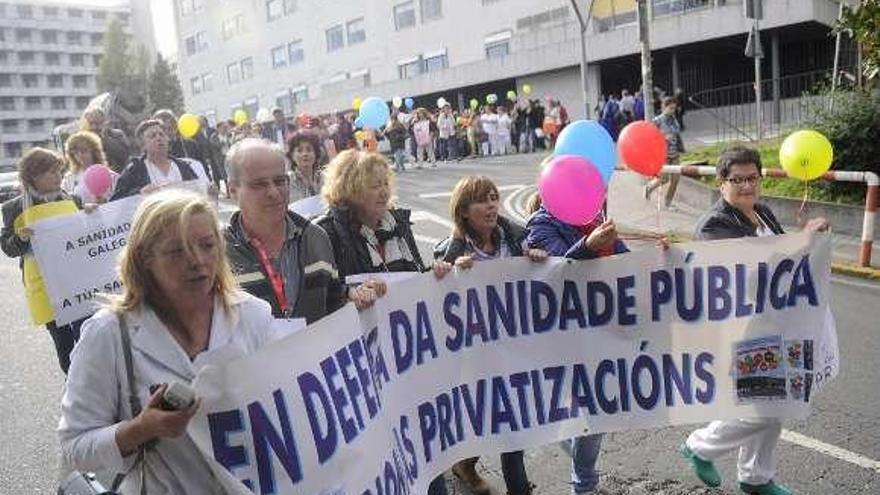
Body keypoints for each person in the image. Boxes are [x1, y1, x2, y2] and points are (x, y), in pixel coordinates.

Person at [58, 189, 279, 493]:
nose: (197, 261)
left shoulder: (254, 315)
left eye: (207, 245)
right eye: (177, 250)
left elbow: (287, 408)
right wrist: (142, 428)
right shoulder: (108, 334)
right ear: (145, 258)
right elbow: (75, 448)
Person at [680, 146, 829, 495]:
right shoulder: (714, 224)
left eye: (752, 178)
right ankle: (700, 446)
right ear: (721, 184)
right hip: (740, 331)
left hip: (774, 326)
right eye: (737, 180)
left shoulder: (762, 213)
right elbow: (746, 267)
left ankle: (755, 477)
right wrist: (800, 240)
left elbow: (787, 264)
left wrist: (812, 240)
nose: (746, 186)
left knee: (778, 401)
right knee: (766, 407)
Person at [315, 149, 452, 495]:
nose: (382, 192)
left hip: (407, 361)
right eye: (372, 185)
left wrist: (433, 275)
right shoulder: (324, 234)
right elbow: (319, 298)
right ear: (348, 189)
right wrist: (348, 295)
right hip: (364, 367)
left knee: (425, 446)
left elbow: (411, 280)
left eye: (384, 183)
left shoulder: (398, 225)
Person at [433, 176, 546, 495]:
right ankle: (465, 464)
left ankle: (518, 488)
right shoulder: (452, 249)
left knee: (514, 427)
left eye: (494, 198)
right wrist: (449, 273)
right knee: (484, 420)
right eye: (483, 200)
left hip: (514, 351)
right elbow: (432, 296)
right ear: (464, 211)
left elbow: (544, 272)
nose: (492, 205)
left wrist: (536, 258)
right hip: (475, 357)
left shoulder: (514, 237)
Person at [525, 186, 628, 495]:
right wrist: (588, 245)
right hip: (566, 333)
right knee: (595, 413)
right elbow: (555, 273)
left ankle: (574, 454)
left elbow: (627, 263)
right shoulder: (540, 225)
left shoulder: (598, 219)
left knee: (601, 410)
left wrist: (657, 256)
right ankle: (584, 485)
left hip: (603, 328)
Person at [223, 138, 380, 324]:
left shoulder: (316, 238)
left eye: (280, 181)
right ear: (232, 190)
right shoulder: (216, 252)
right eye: (259, 185)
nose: (274, 192)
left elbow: (332, 299)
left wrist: (352, 296)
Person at [1, 148, 95, 373]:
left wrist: (91, 215)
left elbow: (89, 239)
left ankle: (93, 387)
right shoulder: (13, 208)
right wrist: (20, 238)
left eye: (59, 171)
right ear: (33, 175)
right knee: (64, 345)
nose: (58, 177)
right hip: (44, 288)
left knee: (88, 338)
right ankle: (74, 388)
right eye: (51, 172)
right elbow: (7, 247)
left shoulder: (75, 201)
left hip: (77, 281)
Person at [110, 120, 208, 200]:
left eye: (161, 134)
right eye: (152, 136)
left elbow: (198, 193)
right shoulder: (134, 170)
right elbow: (117, 200)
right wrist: (139, 192)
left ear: (168, 139)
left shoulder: (183, 166)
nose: (158, 138)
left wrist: (210, 193)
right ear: (143, 145)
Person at [645, 96, 685, 208]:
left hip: (675, 154)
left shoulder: (674, 120)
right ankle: (649, 187)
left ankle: (668, 203)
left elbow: (677, 134)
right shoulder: (657, 120)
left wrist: (680, 146)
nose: (673, 111)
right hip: (663, 155)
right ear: (664, 107)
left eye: (674, 108)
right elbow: (649, 135)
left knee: (676, 180)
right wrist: (662, 137)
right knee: (664, 179)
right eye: (671, 108)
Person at [153, 109, 213, 180]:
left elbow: (203, 170)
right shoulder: (153, 150)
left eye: (169, 128)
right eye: (162, 130)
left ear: (175, 128)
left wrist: (209, 183)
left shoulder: (190, 145)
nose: (166, 133)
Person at [62, 130, 118, 203]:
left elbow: (120, 200)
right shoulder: (69, 178)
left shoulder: (111, 176)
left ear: (94, 152)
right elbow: (65, 200)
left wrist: (104, 201)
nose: (80, 155)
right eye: (75, 153)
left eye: (84, 151)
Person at [80, 107, 131, 173]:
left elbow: (124, 155)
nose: (94, 127)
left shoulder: (117, 135)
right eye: (91, 123)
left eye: (97, 123)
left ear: (105, 122)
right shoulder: (81, 140)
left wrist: (104, 138)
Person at [286, 130, 326, 202]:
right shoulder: (287, 181)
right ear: (292, 155)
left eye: (309, 150)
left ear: (316, 153)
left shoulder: (325, 178)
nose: (305, 154)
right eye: (299, 150)